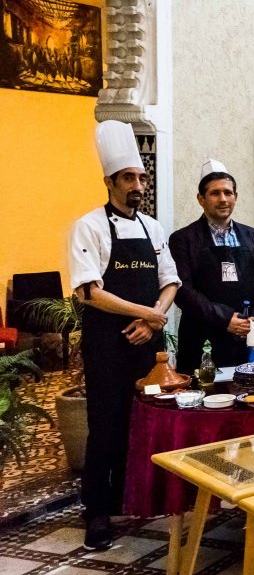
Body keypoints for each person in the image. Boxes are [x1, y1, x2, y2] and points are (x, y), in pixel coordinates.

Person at [69, 120, 181, 550]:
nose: (137, 186)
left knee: (146, 420)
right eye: (128, 178)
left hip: (148, 347)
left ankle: (135, 497)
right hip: (106, 345)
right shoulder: (89, 226)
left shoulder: (153, 228)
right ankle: (98, 511)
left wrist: (154, 318)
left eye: (141, 178)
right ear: (109, 182)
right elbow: (89, 292)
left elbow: (170, 281)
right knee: (106, 424)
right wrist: (146, 314)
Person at [170, 159, 254, 371]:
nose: (223, 199)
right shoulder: (183, 239)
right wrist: (225, 319)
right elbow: (183, 290)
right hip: (201, 337)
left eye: (228, 193)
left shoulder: (253, 237)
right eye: (215, 193)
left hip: (246, 336)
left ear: (236, 197)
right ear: (201, 199)